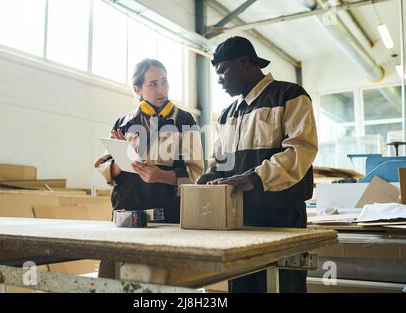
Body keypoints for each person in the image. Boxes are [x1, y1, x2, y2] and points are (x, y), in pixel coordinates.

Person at [196, 36, 318, 293]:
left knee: (283, 286)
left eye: (223, 71)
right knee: (242, 287)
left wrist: (253, 178)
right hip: (238, 220)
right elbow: (221, 158)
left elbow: (299, 151)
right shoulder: (229, 113)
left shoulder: (290, 95)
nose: (219, 80)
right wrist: (211, 174)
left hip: (281, 218)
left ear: (244, 62)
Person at [95, 58, 204, 224]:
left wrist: (163, 176)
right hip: (125, 211)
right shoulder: (123, 123)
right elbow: (104, 167)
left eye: (164, 82)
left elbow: (196, 174)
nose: (161, 90)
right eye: (153, 84)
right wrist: (121, 161)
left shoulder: (184, 120)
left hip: (168, 216)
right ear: (138, 89)